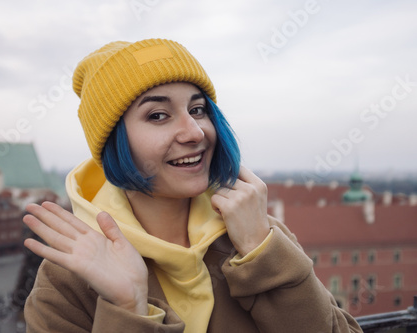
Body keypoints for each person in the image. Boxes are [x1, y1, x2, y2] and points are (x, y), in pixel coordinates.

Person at [23, 38, 362, 332]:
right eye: (158, 115)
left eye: (198, 109)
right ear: (113, 141)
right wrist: (127, 310)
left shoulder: (257, 233)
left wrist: (262, 253)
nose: (195, 132)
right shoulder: (68, 275)